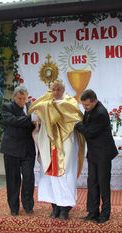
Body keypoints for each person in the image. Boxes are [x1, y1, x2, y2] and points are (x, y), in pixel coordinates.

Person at [29, 80, 85, 220]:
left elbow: (76, 119)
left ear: (63, 90)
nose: (56, 92)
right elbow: (35, 117)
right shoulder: (45, 102)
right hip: (49, 145)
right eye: (53, 89)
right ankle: (54, 207)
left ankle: (65, 209)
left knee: (65, 176)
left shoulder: (70, 102)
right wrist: (41, 115)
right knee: (49, 177)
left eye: (59, 89)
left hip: (65, 145)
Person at [76, 89, 118, 224]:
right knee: (92, 182)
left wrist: (77, 125)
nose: (85, 108)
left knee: (103, 183)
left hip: (103, 153)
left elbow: (89, 132)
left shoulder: (100, 113)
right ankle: (93, 211)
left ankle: (105, 213)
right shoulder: (89, 110)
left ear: (95, 101)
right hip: (94, 152)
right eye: (83, 105)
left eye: (87, 105)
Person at [0, 86, 36, 216]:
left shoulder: (32, 107)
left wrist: (34, 119)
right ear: (14, 97)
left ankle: (28, 205)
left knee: (28, 178)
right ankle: (14, 207)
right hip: (12, 149)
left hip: (28, 149)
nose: (22, 101)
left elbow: (35, 123)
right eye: (20, 98)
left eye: (24, 98)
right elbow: (12, 121)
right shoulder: (7, 107)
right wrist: (31, 119)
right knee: (13, 180)